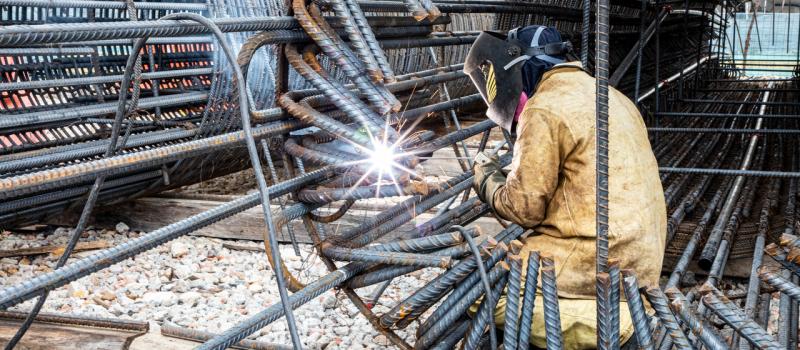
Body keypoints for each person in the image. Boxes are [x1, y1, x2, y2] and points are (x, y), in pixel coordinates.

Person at [465, 25, 666, 349]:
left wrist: (485, 176)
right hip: (643, 261)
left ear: (520, 68)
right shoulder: (614, 96)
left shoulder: (544, 106)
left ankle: (589, 328)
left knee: (473, 289)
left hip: (593, 262)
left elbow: (523, 208)